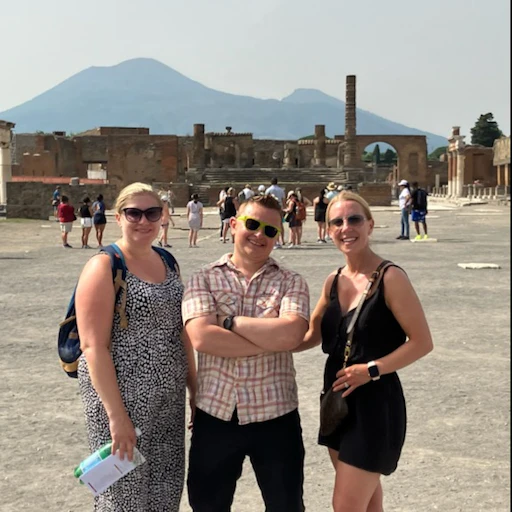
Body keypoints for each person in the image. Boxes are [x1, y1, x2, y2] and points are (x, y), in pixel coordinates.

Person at [296, 191, 433, 512]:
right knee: (369, 503)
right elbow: (310, 335)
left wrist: (371, 369)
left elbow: (422, 342)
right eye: (337, 222)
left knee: (345, 505)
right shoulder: (333, 280)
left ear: (370, 224)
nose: (346, 227)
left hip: (375, 403)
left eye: (355, 219)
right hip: (336, 402)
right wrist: (254, 339)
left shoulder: (391, 277)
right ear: (328, 230)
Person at [182, 194, 310, 512]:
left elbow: (293, 334)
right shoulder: (204, 277)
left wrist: (228, 323)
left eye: (270, 230)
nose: (259, 234)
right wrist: (271, 338)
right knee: (208, 506)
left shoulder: (291, 281)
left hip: (276, 414)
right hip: (216, 414)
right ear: (234, 224)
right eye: (252, 224)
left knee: (286, 506)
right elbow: (201, 338)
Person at [75, 182, 196, 512]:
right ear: (118, 217)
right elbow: (93, 346)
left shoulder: (169, 262)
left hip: (168, 400)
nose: (144, 221)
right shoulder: (105, 266)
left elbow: (181, 331)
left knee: (166, 490)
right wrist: (117, 418)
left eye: (152, 213)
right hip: (120, 400)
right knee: (121, 497)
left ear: (162, 216)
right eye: (134, 213)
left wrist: (194, 389)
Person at [265, 178, 286, 248]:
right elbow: (283, 200)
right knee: (280, 224)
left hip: (271, 208)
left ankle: (275, 240)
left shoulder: (268, 190)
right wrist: (283, 208)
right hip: (279, 208)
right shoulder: (281, 190)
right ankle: (282, 240)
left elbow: (265, 199)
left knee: (273, 225)